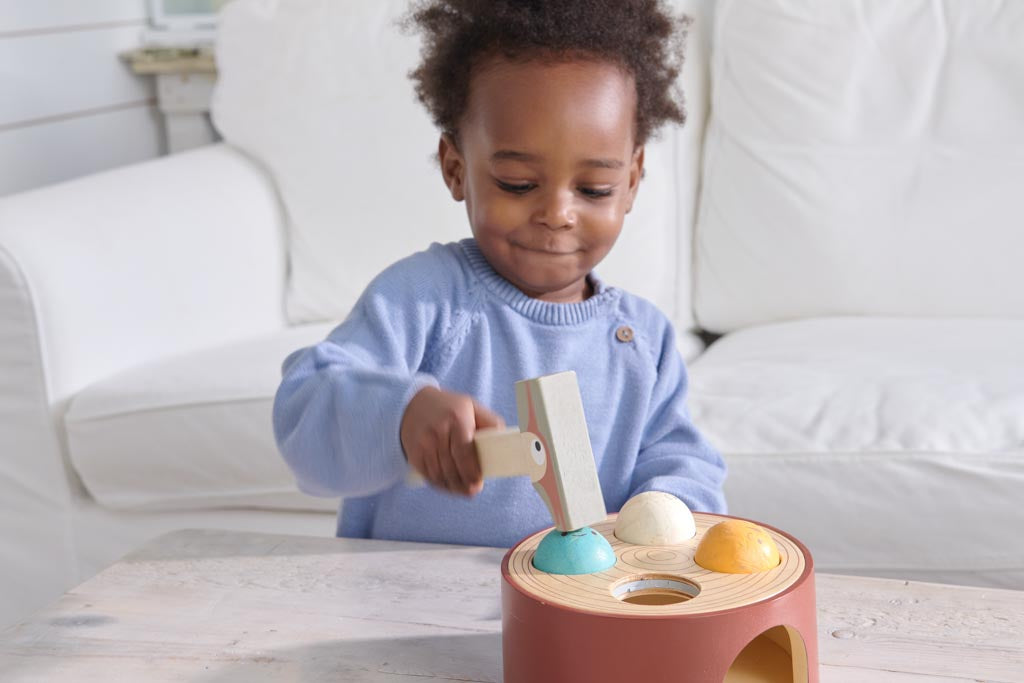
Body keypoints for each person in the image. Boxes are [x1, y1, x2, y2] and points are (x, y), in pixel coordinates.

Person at [273, 0, 726, 548]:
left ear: (632, 181)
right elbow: (307, 406)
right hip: (405, 607)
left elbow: (682, 459)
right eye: (517, 183)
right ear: (456, 168)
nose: (557, 213)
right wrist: (403, 415)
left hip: (576, 614)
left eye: (594, 190)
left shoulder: (643, 340)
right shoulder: (423, 300)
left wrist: (670, 507)